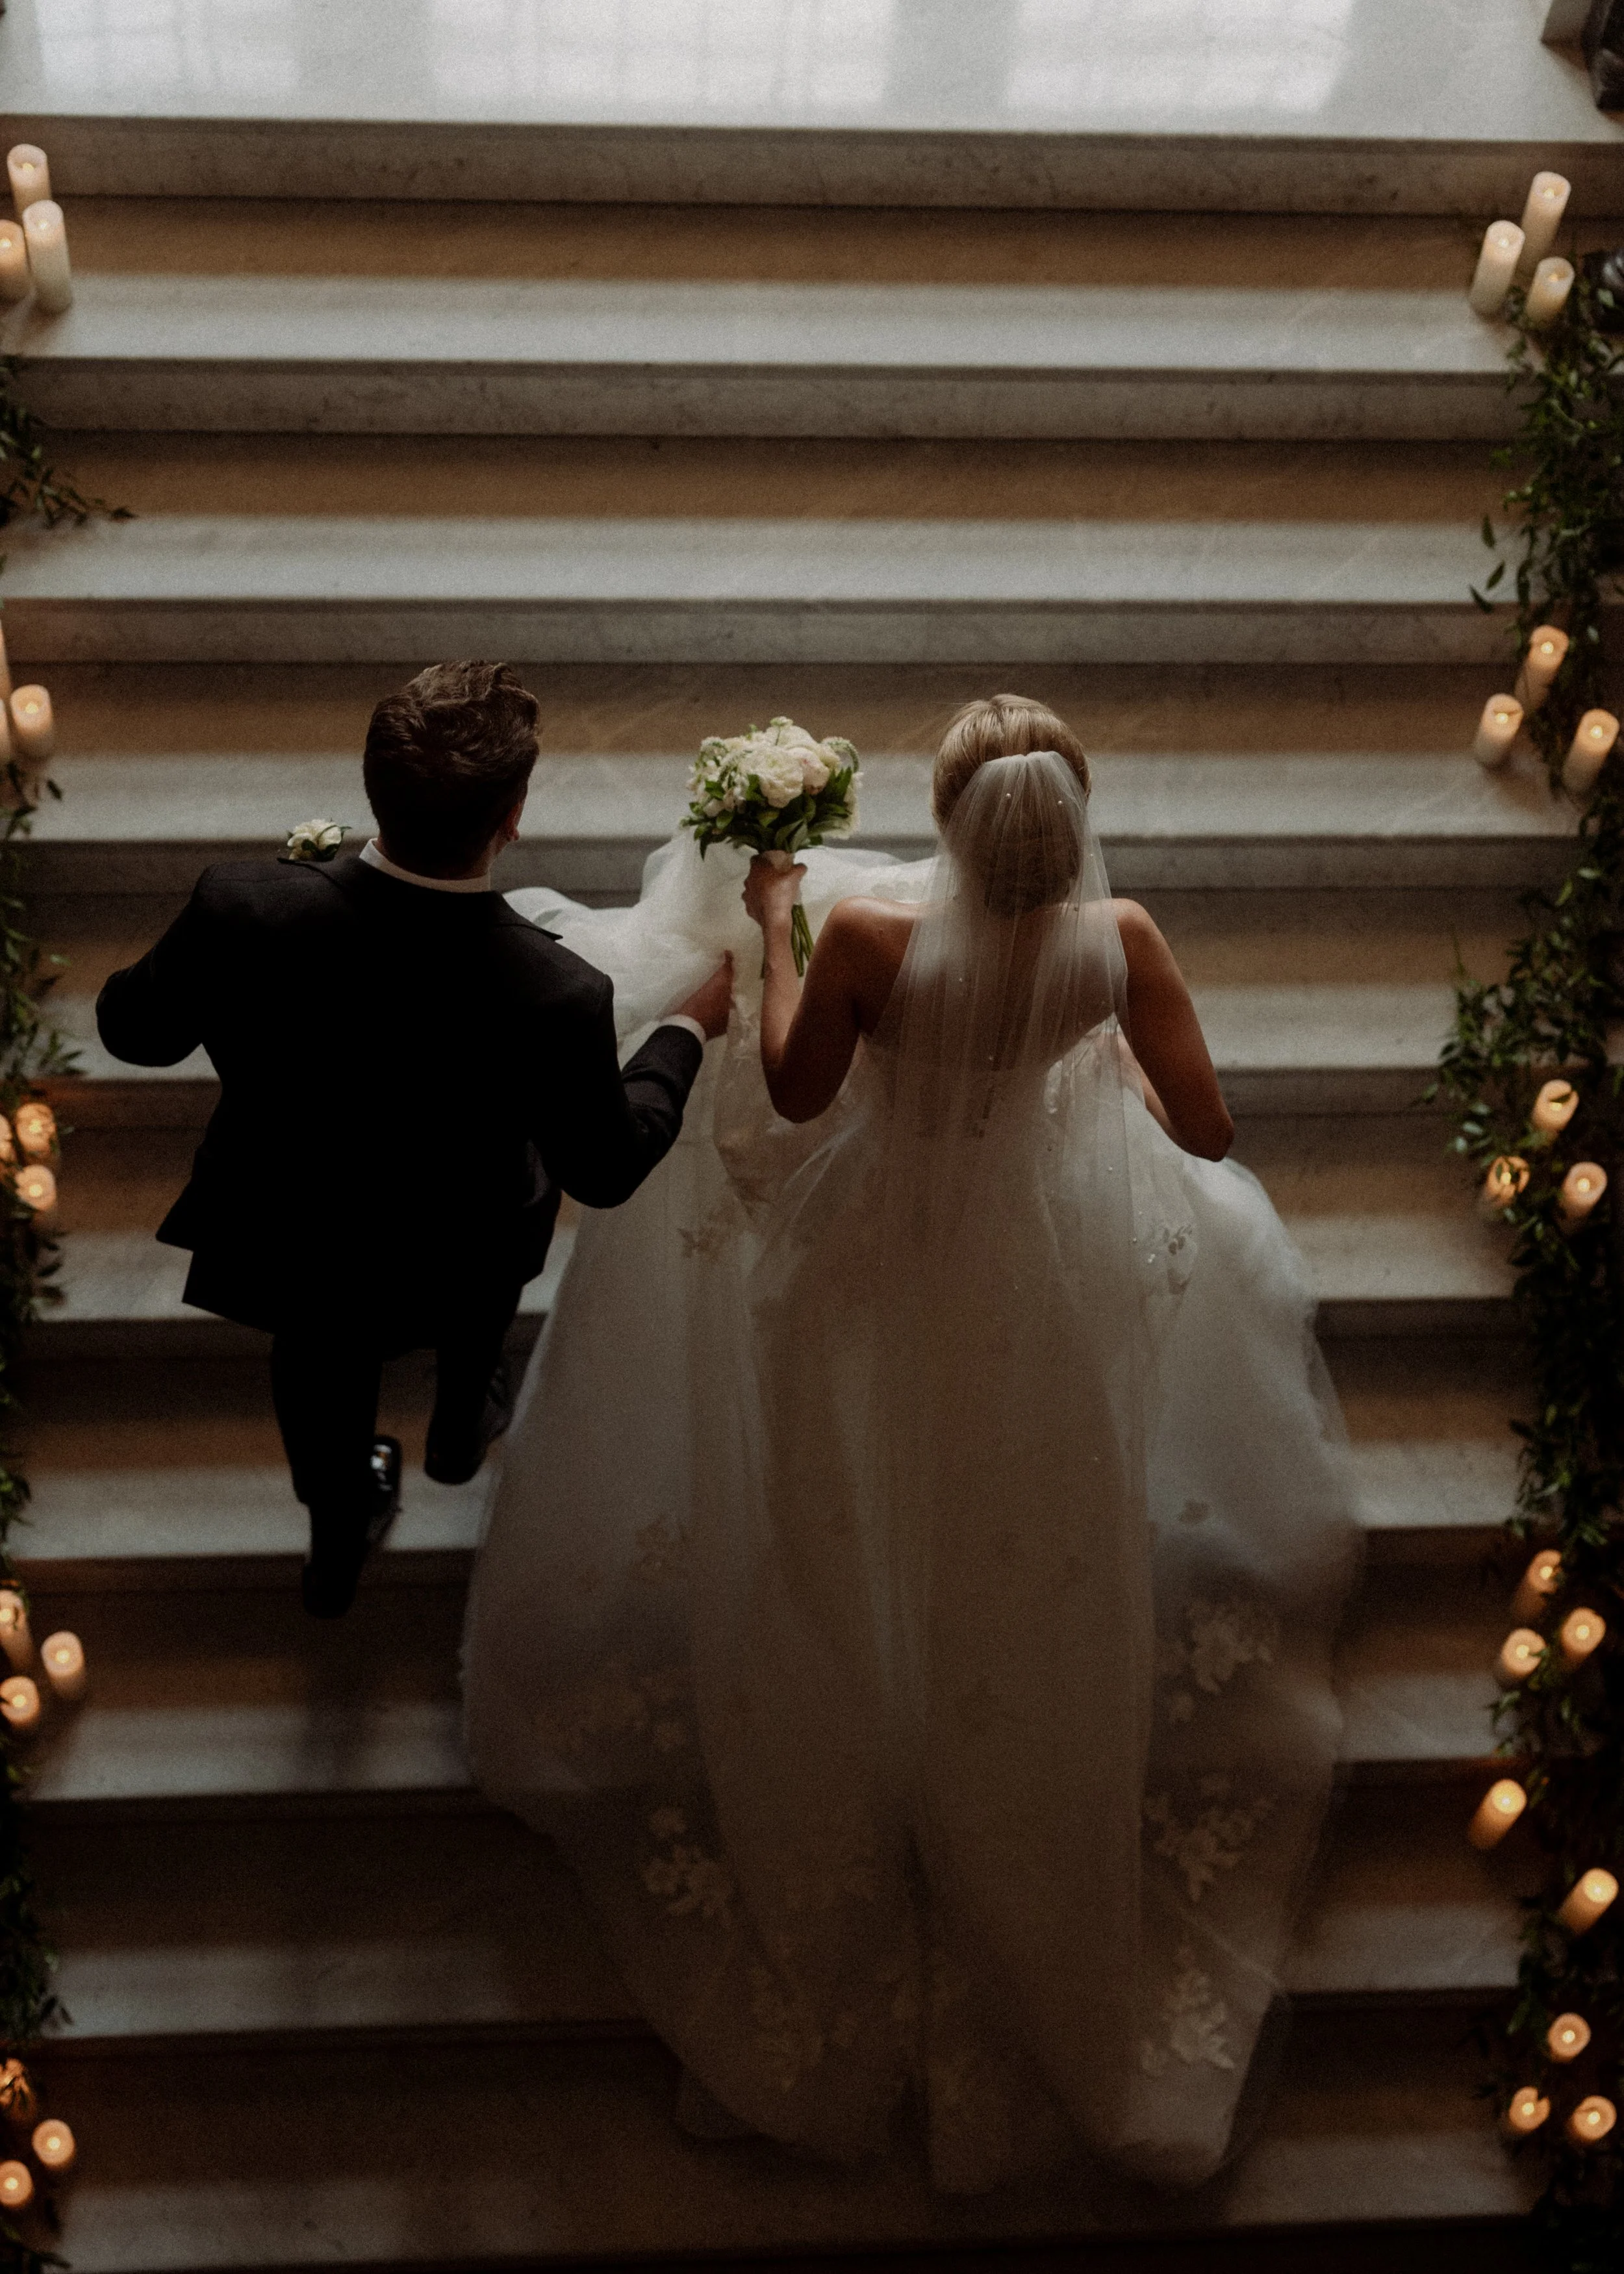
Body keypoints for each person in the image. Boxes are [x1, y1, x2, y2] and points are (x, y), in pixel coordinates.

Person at [463, 693, 1358, 2192]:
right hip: (1041, 1258)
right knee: (1016, 1493)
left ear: (951, 825)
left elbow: (797, 1084)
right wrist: (1111, 1074)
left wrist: (776, 925)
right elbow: (1204, 1132)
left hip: (876, 1253)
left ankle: (859, 1679)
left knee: (848, 1488)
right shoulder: (1117, 942)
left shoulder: (877, 940)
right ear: (1066, 835)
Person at [97, 659, 730, 1618]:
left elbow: (133, 1033)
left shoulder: (244, 907)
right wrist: (684, 1029)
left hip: (294, 1231)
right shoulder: (556, 993)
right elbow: (605, 1167)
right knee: (476, 1325)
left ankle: (336, 1546)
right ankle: (456, 1436)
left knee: (318, 1371)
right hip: (466, 1241)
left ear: (373, 791)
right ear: (512, 818)